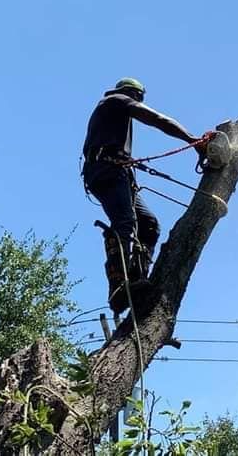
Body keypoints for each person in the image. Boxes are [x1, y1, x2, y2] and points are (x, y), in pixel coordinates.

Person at [82, 77, 204, 314]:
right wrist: (192, 140)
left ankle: (137, 279)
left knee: (148, 224)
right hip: (106, 170)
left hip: (118, 172)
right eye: (139, 98)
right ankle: (119, 287)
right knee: (125, 222)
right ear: (134, 94)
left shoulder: (115, 112)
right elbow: (157, 119)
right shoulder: (114, 100)